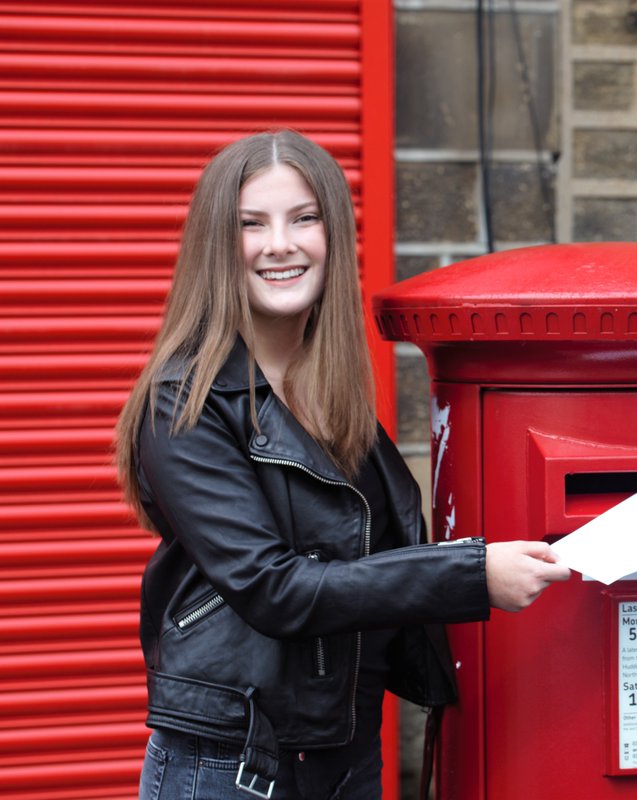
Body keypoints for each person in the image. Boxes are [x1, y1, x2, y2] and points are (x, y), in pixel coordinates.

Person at [114, 130, 571, 800]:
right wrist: (473, 573)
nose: (280, 244)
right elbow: (273, 587)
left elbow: (378, 557)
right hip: (233, 762)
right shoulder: (183, 402)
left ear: (332, 237)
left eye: (304, 218)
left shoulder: (331, 395)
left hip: (346, 753)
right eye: (251, 224)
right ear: (217, 245)